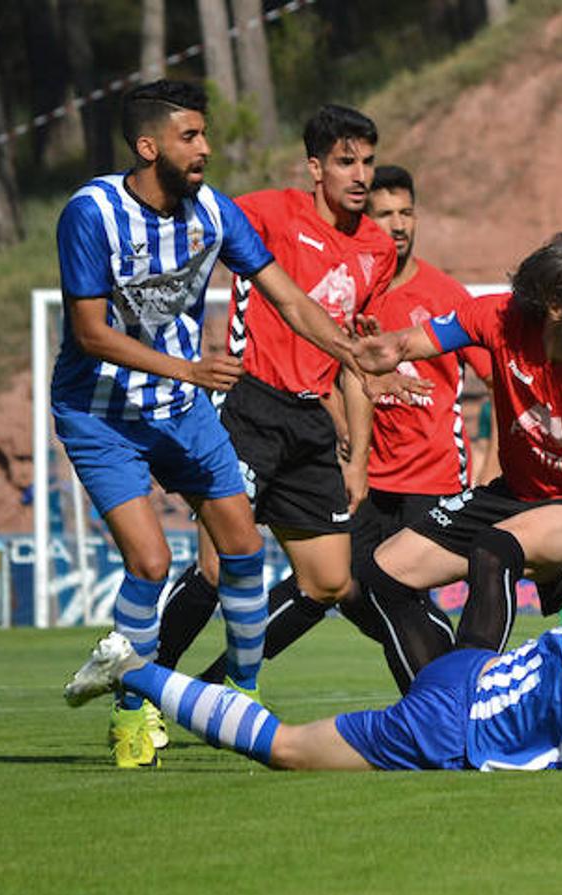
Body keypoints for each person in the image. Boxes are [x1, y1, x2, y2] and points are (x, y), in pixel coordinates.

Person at [53, 81, 362, 766]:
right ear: (148, 145)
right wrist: (188, 368)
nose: (206, 148)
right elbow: (89, 334)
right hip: (100, 413)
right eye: (190, 136)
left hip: (181, 413)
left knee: (245, 552)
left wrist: (350, 352)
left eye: (204, 135)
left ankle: (242, 699)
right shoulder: (92, 213)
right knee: (152, 561)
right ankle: (130, 712)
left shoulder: (214, 213)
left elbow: (287, 296)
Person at [64, 515, 562, 774]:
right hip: (452, 722)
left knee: (290, 745)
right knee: (284, 749)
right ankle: (133, 667)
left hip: (475, 679)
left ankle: (134, 668)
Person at [190, 164, 494, 692]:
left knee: (395, 595)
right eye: (383, 215)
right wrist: (349, 422)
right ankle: (219, 687)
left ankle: (450, 693)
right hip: (363, 477)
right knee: (333, 588)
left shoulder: (445, 296)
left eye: (405, 212)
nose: (396, 226)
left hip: (432, 477)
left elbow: (499, 380)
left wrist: (492, 467)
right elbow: (321, 376)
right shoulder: (341, 297)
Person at [154, 105, 414, 685]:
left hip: (310, 424)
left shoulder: (376, 249)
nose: (360, 175)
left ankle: (207, 691)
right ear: (315, 168)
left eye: (368, 162)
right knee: (219, 565)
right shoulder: (271, 212)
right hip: (248, 407)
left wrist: (360, 459)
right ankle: (146, 687)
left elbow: (350, 358)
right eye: (346, 162)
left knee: (327, 580)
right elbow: (192, 224)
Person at [354, 228, 562, 658]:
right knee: (382, 574)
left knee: (495, 548)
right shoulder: (498, 318)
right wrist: (379, 353)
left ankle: (471, 698)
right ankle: (445, 709)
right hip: (519, 494)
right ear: (554, 307)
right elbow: (407, 342)